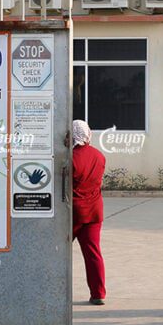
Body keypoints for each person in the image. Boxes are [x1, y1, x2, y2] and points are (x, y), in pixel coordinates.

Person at [72, 120, 107, 305]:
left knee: (55, 252)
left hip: (72, 213)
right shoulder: (99, 156)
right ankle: (98, 293)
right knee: (93, 254)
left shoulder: (68, 158)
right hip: (93, 212)